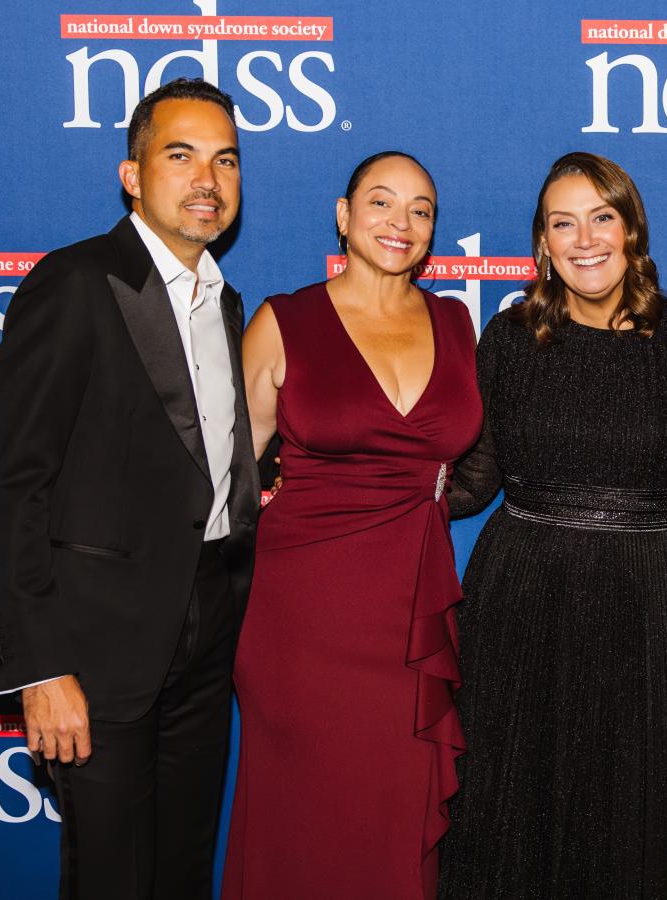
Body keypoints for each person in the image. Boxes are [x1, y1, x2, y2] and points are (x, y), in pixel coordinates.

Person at [0, 77, 257, 899]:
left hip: (204, 638)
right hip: (94, 651)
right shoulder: (76, 284)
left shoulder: (223, 303)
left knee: (180, 870)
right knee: (111, 881)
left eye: (225, 160)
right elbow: (12, 484)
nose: (208, 179)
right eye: (181, 155)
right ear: (131, 175)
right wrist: (41, 667)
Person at [437, 152, 667, 899]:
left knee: (640, 809)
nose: (585, 239)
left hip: (653, 606)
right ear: (542, 244)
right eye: (565, 223)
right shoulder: (508, 340)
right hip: (525, 601)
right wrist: (346, 490)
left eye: (603, 218)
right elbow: (471, 480)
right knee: (514, 806)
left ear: (632, 232)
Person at [222, 151, 481, 899]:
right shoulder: (285, 320)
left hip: (410, 611)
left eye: (420, 210)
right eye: (380, 202)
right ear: (343, 215)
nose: (400, 223)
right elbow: (223, 464)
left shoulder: (455, 321)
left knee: (394, 815)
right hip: (299, 615)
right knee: (301, 817)